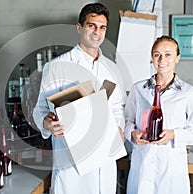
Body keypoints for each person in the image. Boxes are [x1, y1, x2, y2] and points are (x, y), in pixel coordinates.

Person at [33, 3, 126, 194]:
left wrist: (119, 128)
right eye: (91, 25)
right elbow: (40, 109)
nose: (97, 32)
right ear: (79, 28)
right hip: (71, 159)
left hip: (105, 156)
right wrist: (47, 124)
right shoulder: (57, 66)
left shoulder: (113, 68)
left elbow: (117, 107)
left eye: (102, 27)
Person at [124, 35, 193, 194]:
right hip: (142, 164)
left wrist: (174, 134)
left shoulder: (189, 93)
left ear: (177, 58)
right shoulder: (138, 90)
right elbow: (127, 121)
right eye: (157, 54)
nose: (162, 59)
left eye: (168, 54)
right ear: (152, 58)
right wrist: (132, 133)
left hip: (171, 168)